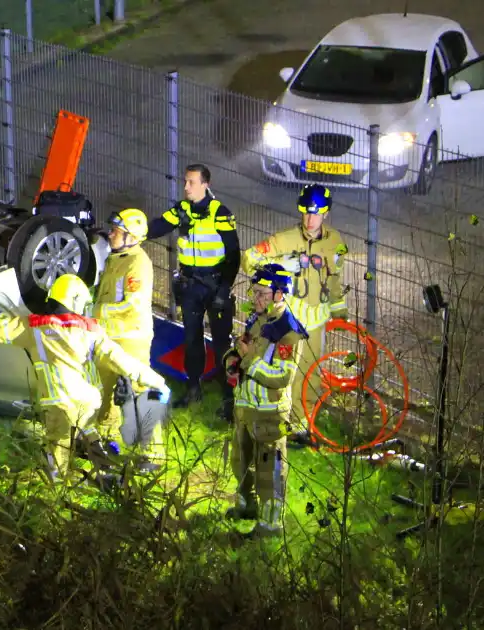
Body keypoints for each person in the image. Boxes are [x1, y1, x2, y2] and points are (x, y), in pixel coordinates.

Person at [0, 273, 170, 482]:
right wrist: (156, 380)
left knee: (57, 446)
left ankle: (56, 486)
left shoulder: (35, 328)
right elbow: (121, 359)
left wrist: (4, 314)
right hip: (87, 400)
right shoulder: (91, 331)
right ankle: (107, 473)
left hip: (58, 402)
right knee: (90, 435)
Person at [240, 184, 349, 437]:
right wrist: (278, 263)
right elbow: (248, 259)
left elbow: (334, 279)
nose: (310, 219)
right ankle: (276, 421)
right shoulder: (284, 239)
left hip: (317, 321)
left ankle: (302, 427)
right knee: (283, 373)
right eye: (306, 213)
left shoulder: (335, 242)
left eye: (316, 214)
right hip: (289, 320)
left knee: (311, 377)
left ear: (325, 214)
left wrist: (339, 309)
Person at [144, 164, 241, 414]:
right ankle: (193, 389)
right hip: (190, 286)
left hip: (216, 283)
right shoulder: (182, 209)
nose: (186, 187)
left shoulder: (220, 213)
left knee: (222, 344)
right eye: (185, 182)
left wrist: (224, 288)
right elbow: (156, 227)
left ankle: (229, 398)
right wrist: (131, 230)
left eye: (191, 182)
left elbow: (233, 254)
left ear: (205, 184)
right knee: (192, 340)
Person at [223, 263, 308, 536]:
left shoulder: (288, 332)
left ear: (279, 295)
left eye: (262, 294)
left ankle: (270, 526)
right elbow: (244, 349)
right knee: (241, 461)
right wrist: (232, 360)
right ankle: (246, 506)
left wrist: (247, 359)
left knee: (268, 472)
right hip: (246, 408)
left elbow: (282, 377)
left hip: (269, 414)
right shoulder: (259, 319)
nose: (255, 299)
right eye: (254, 292)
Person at [93, 208, 162, 471]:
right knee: (104, 391)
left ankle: (153, 455)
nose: (110, 234)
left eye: (116, 231)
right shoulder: (116, 258)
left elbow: (132, 303)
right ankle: (105, 445)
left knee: (141, 391)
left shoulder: (137, 263)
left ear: (131, 236)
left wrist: (97, 312)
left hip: (131, 337)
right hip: (109, 336)